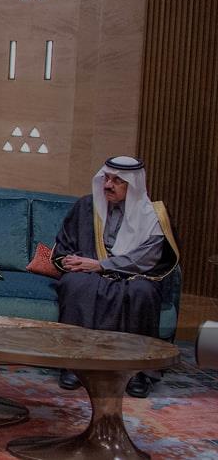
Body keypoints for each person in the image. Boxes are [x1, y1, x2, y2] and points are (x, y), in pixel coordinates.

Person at [53, 156, 180, 397]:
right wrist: (72, 260)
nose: (108, 185)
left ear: (133, 185)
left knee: (142, 293)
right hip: (91, 271)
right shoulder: (86, 207)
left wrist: (102, 265)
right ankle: (73, 365)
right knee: (74, 284)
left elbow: (148, 258)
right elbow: (65, 244)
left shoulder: (153, 215)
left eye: (117, 181)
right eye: (106, 178)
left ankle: (137, 371)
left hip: (135, 275)